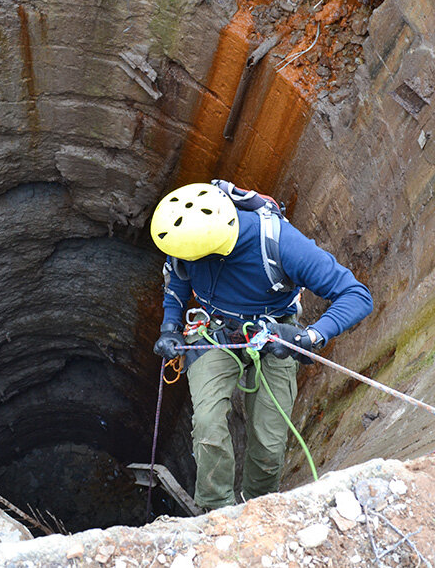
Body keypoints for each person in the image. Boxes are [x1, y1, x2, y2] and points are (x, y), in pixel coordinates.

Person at [149, 182, 373, 511]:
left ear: (215, 247)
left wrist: (307, 338)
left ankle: (259, 509)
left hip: (274, 336)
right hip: (214, 332)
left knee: (269, 443)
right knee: (208, 426)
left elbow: (356, 295)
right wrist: (170, 326)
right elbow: (178, 277)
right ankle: (217, 512)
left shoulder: (280, 243)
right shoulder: (187, 236)